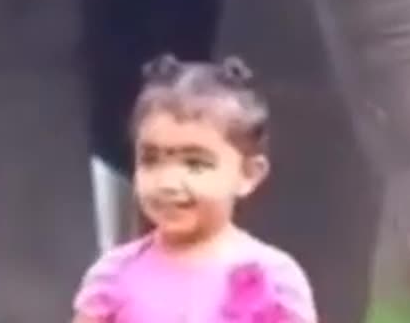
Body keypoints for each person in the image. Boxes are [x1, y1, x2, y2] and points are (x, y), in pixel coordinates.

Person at [73, 53, 317, 323]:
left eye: (195, 164)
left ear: (248, 174)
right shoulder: (113, 276)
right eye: (151, 160)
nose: (167, 182)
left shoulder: (276, 279)